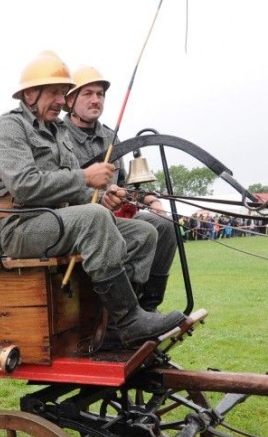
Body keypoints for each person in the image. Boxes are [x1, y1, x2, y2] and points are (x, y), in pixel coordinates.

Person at [0, 51, 185, 350]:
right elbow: (25, 186)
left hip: (56, 222)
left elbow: (75, 190)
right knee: (93, 217)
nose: (60, 99)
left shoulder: (57, 132)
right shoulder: (9, 128)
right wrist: (85, 178)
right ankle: (129, 319)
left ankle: (118, 328)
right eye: (54, 92)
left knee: (144, 232)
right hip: (20, 227)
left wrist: (106, 196)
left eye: (63, 93)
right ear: (30, 94)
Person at [62, 65, 179, 311]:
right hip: (79, 223)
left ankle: (148, 306)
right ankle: (122, 316)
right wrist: (100, 199)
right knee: (142, 232)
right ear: (70, 99)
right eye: (88, 94)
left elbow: (124, 186)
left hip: (115, 219)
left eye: (100, 94)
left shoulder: (110, 137)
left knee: (165, 226)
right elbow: (61, 188)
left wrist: (151, 201)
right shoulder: (58, 136)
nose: (96, 100)